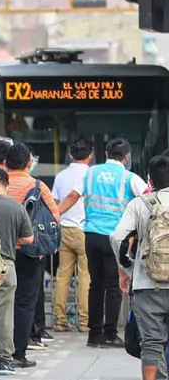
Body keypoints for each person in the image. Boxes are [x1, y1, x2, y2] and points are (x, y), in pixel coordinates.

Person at [59, 138, 147, 348]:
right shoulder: (129, 177)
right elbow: (147, 197)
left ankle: (94, 334)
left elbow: (72, 196)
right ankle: (110, 332)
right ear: (126, 158)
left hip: (90, 236)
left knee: (95, 285)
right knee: (114, 286)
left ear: (105, 155)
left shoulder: (90, 173)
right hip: (116, 239)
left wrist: (56, 214)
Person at [111, 155, 169, 380]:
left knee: (151, 342)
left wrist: (125, 268)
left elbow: (116, 237)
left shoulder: (140, 203)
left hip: (148, 283)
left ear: (150, 180)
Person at [4, 143, 60, 362]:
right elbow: (55, 219)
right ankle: (19, 351)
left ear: (6, 163)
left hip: (0, 252)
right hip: (29, 252)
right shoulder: (38, 186)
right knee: (25, 302)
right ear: (29, 163)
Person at [0, 168, 35, 372]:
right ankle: (4, 359)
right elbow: (29, 239)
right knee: (3, 314)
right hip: (5, 265)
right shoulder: (16, 207)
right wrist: (11, 241)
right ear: (7, 185)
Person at [51, 138, 94, 332]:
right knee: (85, 276)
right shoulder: (92, 175)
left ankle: (60, 320)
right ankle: (84, 322)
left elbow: (54, 201)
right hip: (85, 230)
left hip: (64, 229)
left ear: (70, 155)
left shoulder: (61, 176)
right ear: (90, 155)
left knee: (63, 276)